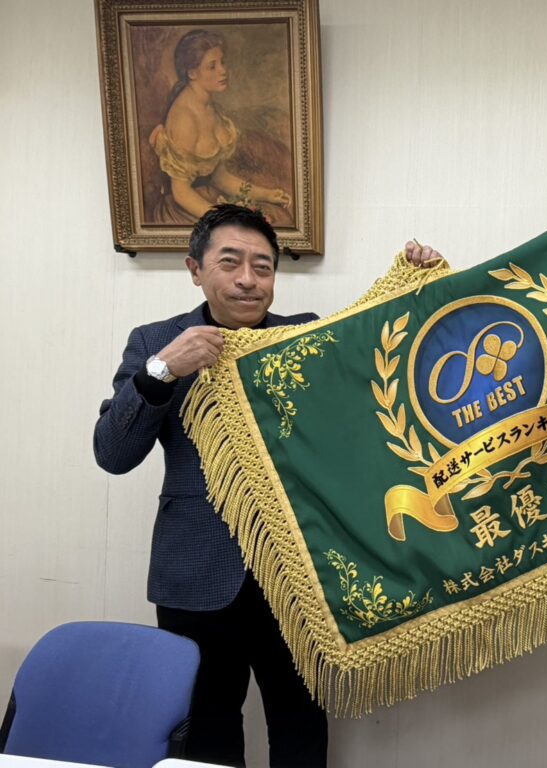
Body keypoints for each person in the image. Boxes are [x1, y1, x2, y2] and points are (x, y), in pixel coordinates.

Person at [94, 204, 440, 766]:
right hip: (196, 576)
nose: (248, 279)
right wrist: (162, 370)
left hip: (301, 574)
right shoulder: (157, 341)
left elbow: (374, 372)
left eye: (263, 266)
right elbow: (112, 454)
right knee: (204, 734)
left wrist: (414, 288)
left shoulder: (302, 336)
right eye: (230, 262)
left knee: (301, 726)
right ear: (195, 269)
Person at [148, 30, 292, 225]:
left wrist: (265, 194)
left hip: (210, 197)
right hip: (188, 208)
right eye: (212, 66)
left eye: (222, 62)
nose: (223, 71)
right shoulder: (184, 119)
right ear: (192, 73)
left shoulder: (210, 108)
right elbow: (181, 193)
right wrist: (224, 218)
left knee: (274, 216)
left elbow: (219, 177)